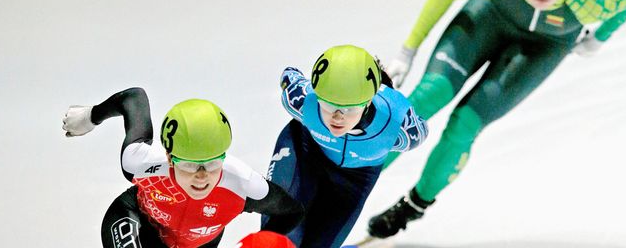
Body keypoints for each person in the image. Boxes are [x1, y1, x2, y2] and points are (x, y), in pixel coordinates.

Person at [367, 0, 626, 238]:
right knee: (426, 98)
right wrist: (407, 52)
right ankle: (353, 173)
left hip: (543, 47)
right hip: (488, 20)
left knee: (464, 125)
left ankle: (412, 206)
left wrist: (600, 37)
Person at [63, 87, 303, 248]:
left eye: (212, 164)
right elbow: (134, 98)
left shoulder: (243, 184)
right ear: (169, 158)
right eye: (189, 165)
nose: (201, 176)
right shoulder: (142, 162)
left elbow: (292, 212)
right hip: (136, 220)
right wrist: (90, 117)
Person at [262, 44, 429, 248]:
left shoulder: (401, 128)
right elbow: (290, 75)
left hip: (354, 179)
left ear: (368, 102)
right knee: (278, 238)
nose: (338, 117)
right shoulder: (300, 100)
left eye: (349, 109)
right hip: (305, 152)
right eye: (329, 104)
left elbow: (422, 130)